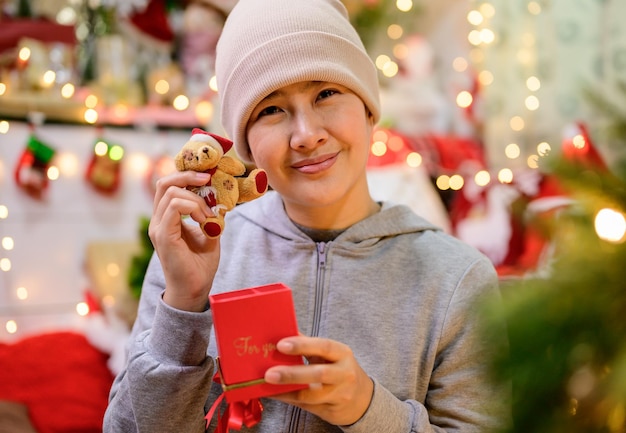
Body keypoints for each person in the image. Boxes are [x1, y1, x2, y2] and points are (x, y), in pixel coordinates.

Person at [103, 0, 510, 431]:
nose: (307, 135)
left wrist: (368, 409)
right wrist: (184, 308)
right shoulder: (192, 253)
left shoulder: (456, 278)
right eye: (271, 110)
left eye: (327, 94)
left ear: (370, 109)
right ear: (245, 148)